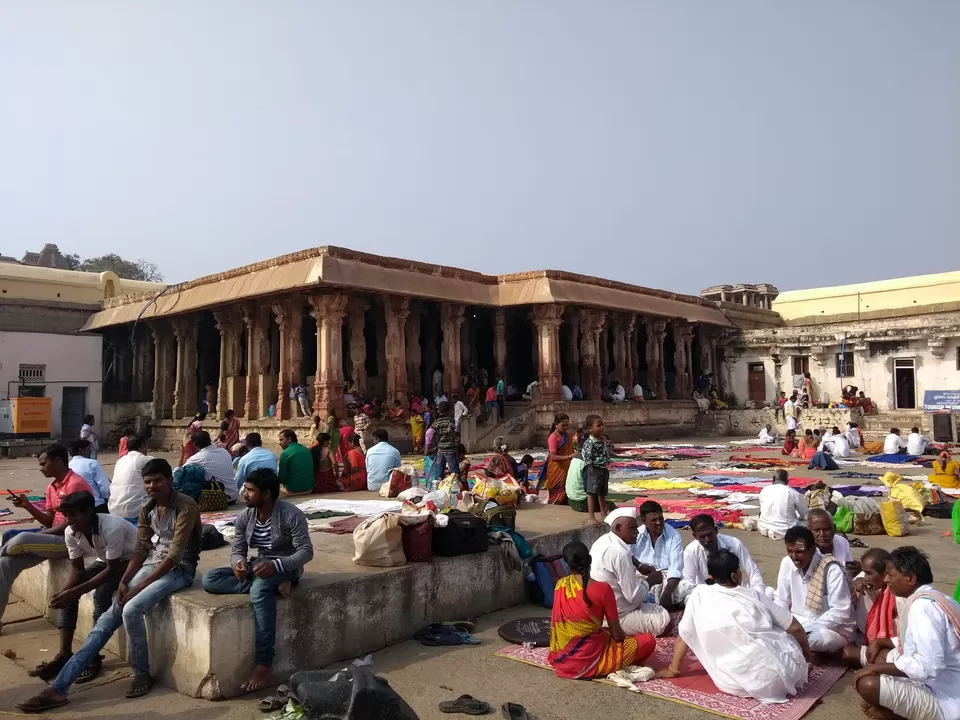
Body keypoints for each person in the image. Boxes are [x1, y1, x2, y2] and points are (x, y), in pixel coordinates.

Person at [17, 458, 202, 710]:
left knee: (131, 609)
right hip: (151, 564)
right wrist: (125, 581)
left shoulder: (185, 506)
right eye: (148, 482)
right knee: (107, 618)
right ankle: (58, 688)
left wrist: (136, 587)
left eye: (158, 480)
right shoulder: (147, 507)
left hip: (180, 569)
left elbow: (174, 555)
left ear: (170, 480)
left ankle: (141, 673)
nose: (152, 486)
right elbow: (141, 549)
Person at [202, 468, 313, 693]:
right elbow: (238, 549)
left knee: (260, 589)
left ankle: (264, 663)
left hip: (285, 564)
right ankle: (270, 586)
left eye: (251, 490)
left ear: (267, 494)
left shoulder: (291, 514)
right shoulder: (246, 516)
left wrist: (278, 566)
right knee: (210, 579)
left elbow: (306, 552)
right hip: (260, 564)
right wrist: (239, 564)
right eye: (246, 488)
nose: (245, 494)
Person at [657, 549, 811, 703]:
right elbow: (795, 627)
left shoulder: (698, 595)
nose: (740, 572)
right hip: (782, 678)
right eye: (738, 570)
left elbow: (684, 636)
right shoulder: (753, 595)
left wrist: (672, 669)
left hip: (734, 683)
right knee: (779, 629)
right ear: (733, 576)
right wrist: (805, 653)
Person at [29, 491, 137, 683]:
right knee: (68, 598)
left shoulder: (110, 527)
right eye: (66, 514)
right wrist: (64, 593)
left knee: (101, 596)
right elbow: (77, 570)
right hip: (106, 561)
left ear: (88, 512)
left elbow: (112, 570)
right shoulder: (71, 532)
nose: (68, 520)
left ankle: (92, 656)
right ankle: (64, 654)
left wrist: (76, 590)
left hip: (131, 562)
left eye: (73, 514)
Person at [853, 546, 960, 720]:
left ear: (910, 578)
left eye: (891, 575)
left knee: (867, 683)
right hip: (946, 679)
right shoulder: (937, 597)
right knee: (882, 656)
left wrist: (875, 668)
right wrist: (884, 642)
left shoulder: (922, 607)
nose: (886, 580)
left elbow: (929, 666)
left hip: (946, 697)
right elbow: (926, 639)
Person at [0, 445, 93, 630]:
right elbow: (50, 520)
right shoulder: (52, 487)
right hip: (54, 539)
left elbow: (71, 523)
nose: (41, 468)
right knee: (4, 563)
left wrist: (39, 535)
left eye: (44, 463)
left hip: (72, 541)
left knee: (22, 538)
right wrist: (27, 506)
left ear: (57, 461)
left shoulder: (75, 484)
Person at [547, 541, 657, 680]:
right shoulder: (603, 590)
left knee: (603, 633)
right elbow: (618, 635)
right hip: (589, 660)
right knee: (647, 641)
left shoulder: (560, 585)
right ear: (590, 559)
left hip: (561, 659)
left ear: (567, 566)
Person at [589, 508, 670, 636]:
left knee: (651, 604)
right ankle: (612, 631)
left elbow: (625, 558)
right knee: (665, 621)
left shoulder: (603, 540)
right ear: (618, 528)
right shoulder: (620, 553)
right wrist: (651, 580)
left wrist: (638, 565)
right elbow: (633, 596)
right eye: (632, 528)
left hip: (599, 610)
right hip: (616, 616)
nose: (637, 532)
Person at [775, 526, 855, 653]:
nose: (794, 557)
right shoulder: (787, 562)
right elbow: (781, 598)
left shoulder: (831, 569)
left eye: (799, 552)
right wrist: (781, 623)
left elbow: (841, 612)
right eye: (790, 551)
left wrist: (803, 628)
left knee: (820, 640)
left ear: (812, 550)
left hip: (830, 629)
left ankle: (792, 645)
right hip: (798, 622)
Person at [841, 549, 904, 669]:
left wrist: (881, 643)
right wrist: (856, 582)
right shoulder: (865, 580)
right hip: (867, 639)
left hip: (894, 645)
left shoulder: (900, 594)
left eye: (869, 573)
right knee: (845, 653)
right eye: (864, 573)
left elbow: (908, 637)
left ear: (885, 573)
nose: (865, 577)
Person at [682, 514, 764, 591]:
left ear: (716, 530)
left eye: (709, 534)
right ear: (695, 536)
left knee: (768, 592)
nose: (707, 539)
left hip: (736, 591)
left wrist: (758, 597)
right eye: (702, 536)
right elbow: (689, 581)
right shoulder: (691, 551)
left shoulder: (734, 544)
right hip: (707, 593)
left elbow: (753, 572)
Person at [632, 500, 687, 611]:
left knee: (686, 587)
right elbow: (626, 554)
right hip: (643, 578)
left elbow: (675, 568)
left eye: (660, 518)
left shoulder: (673, 536)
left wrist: (667, 594)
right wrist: (639, 566)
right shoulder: (636, 535)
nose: (659, 522)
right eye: (654, 520)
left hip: (667, 579)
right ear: (644, 521)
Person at [183, 430, 239, 504]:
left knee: (188, 474)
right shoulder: (224, 451)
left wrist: (184, 451)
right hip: (233, 496)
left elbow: (178, 472)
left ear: (195, 444)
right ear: (210, 440)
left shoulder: (197, 457)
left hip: (215, 498)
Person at [108, 434, 152, 518]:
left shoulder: (120, 461)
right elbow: (168, 476)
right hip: (134, 512)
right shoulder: (144, 459)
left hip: (113, 509)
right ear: (143, 445)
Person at [758, 469, 808, 539]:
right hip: (785, 530)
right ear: (787, 481)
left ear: (773, 479)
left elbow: (762, 511)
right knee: (809, 523)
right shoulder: (792, 492)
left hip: (764, 528)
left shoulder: (764, 490)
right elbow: (805, 515)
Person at [581, 414, 611, 524]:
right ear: (590, 429)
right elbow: (587, 456)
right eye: (598, 426)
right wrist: (590, 468)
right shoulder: (589, 442)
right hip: (594, 469)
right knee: (592, 493)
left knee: (602, 492)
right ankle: (591, 516)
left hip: (603, 468)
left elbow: (609, 450)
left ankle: (603, 513)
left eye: (602, 425)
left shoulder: (603, 440)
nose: (602, 428)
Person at [540, 413, 577, 505]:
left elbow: (570, 449)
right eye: (563, 425)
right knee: (556, 493)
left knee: (566, 489)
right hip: (556, 469)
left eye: (567, 425)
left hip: (566, 468)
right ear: (556, 424)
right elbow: (553, 456)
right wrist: (569, 457)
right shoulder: (553, 437)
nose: (565, 427)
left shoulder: (567, 436)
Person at [68, 439, 111, 513]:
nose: (90, 451)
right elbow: (104, 488)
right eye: (89, 449)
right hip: (95, 505)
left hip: (75, 506)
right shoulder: (92, 463)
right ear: (81, 450)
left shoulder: (68, 465)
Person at [429, 401, 460, 486]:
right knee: (454, 470)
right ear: (448, 410)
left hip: (440, 450)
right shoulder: (450, 420)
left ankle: (438, 487)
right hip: (450, 449)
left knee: (439, 470)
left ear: (439, 411)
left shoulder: (437, 422)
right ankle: (457, 487)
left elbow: (432, 434)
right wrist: (454, 437)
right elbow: (451, 430)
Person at [277, 429, 314, 496]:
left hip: (293, 490)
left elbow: (282, 478)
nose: (279, 443)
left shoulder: (285, 453)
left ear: (289, 439)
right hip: (309, 488)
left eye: (281, 439)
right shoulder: (306, 450)